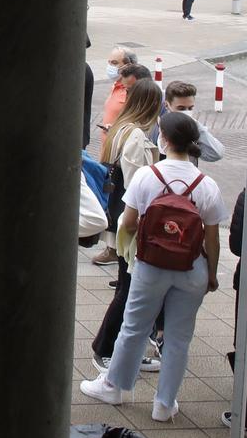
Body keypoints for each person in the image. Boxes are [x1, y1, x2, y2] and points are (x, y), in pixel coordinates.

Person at [80, 111, 225, 421]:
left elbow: (128, 223)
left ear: (164, 140)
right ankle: (164, 403)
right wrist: (211, 274)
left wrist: (136, 252)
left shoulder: (148, 176)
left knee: (134, 327)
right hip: (192, 268)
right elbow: (212, 239)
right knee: (178, 337)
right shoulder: (207, 184)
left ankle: (115, 387)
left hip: (150, 266)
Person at [90, 77, 167, 370]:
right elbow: (138, 184)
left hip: (122, 214)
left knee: (129, 285)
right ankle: (106, 349)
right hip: (131, 218)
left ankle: (122, 350)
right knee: (129, 287)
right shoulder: (135, 135)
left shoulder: (120, 128)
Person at [160, 81, 227, 162]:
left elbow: (216, 154)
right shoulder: (157, 128)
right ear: (167, 105)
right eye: (181, 109)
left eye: (190, 108)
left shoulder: (192, 129)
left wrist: (196, 127)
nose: (186, 112)